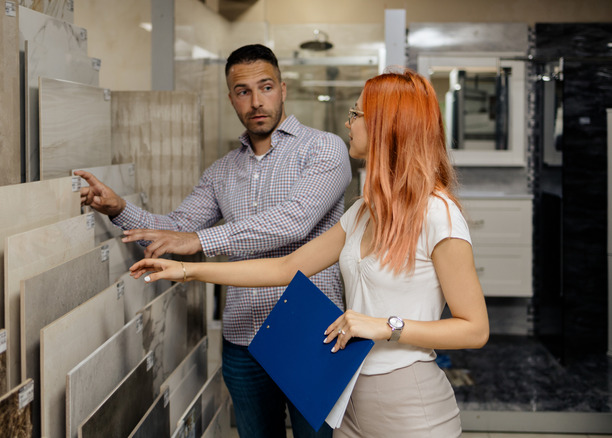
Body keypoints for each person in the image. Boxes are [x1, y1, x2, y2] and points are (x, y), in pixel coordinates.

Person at [130, 68, 490, 437]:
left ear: (385, 126)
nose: (349, 124)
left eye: (356, 114)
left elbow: (474, 329)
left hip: (408, 397)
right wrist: (187, 271)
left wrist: (385, 326)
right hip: (350, 393)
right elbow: (288, 267)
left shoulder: (438, 214)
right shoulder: (364, 212)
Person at [75, 44, 351, 438]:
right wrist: (119, 208)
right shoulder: (221, 171)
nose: (256, 101)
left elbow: (294, 221)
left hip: (314, 333)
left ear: (284, 89)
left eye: (266, 87)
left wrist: (200, 240)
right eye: (243, 91)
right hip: (243, 341)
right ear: (231, 98)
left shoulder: (324, 148)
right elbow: (175, 229)